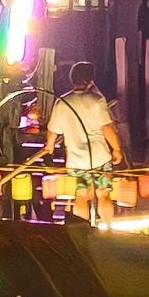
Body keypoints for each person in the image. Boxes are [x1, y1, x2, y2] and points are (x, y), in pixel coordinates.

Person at [42, 63, 124, 215]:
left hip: (76, 161)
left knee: (81, 195)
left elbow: (52, 131)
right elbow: (107, 128)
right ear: (91, 79)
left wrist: (50, 146)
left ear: (72, 79)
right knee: (103, 192)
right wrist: (117, 149)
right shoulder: (97, 100)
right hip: (100, 157)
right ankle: (106, 227)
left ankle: (82, 231)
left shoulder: (62, 102)